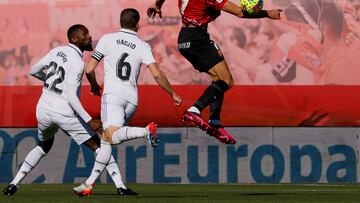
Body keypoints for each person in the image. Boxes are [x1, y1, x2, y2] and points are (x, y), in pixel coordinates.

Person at [2, 24, 131, 196]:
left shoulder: (57, 51)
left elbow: (33, 70)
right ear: (74, 39)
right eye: (85, 34)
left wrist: (50, 82)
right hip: (64, 113)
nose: (90, 37)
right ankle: (120, 186)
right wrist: (89, 120)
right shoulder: (77, 62)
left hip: (44, 110)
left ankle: (14, 183)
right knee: (100, 146)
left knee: (42, 146)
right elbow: (71, 96)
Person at [73, 8, 182, 196]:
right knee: (106, 141)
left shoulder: (107, 39)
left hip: (113, 96)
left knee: (110, 137)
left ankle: (145, 131)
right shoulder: (143, 45)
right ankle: (91, 185)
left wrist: (93, 86)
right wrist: (172, 93)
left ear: (120, 22)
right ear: (137, 24)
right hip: (132, 100)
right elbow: (156, 73)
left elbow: (89, 69)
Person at [147, 0, 282, 144]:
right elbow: (239, 12)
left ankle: (215, 122)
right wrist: (267, 13)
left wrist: (157, 6)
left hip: (185, 38)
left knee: (218, 79)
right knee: (226, 81)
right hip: (197, 39)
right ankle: (195, 110)